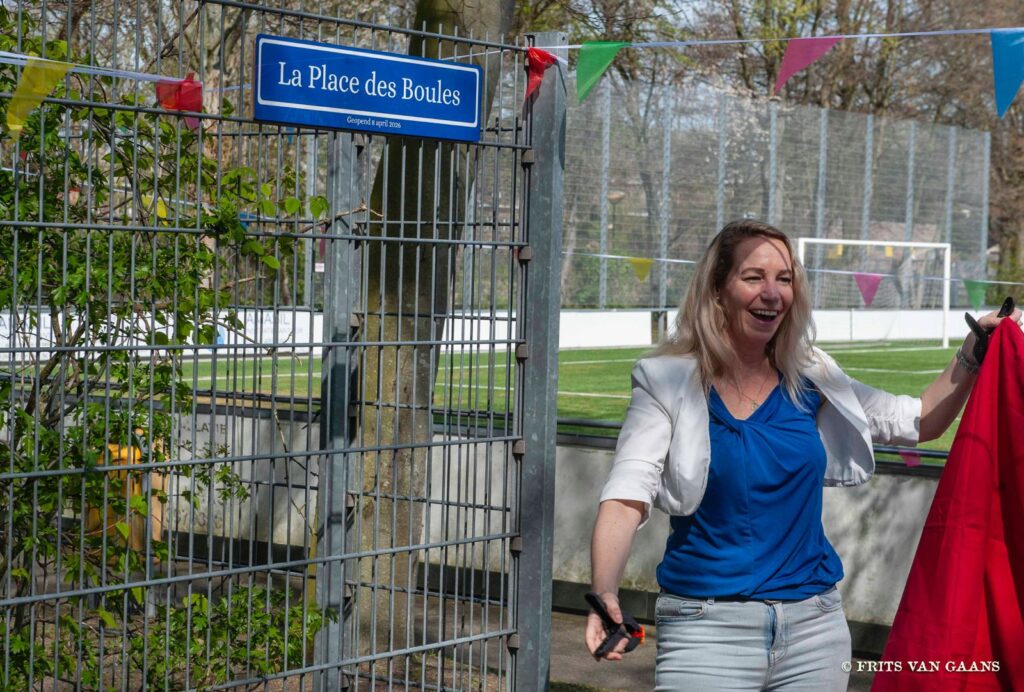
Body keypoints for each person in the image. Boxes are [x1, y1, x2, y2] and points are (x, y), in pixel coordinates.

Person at [584, 220, 1022, 690]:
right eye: (754, 277)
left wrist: (974, 349)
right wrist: (604, 590)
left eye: (784, 279)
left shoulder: (812, 374)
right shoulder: (665, 380)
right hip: (707, 632)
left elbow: (917, 420)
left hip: (816, 631)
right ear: (717, 290)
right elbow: (627, 493)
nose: (772, 293)